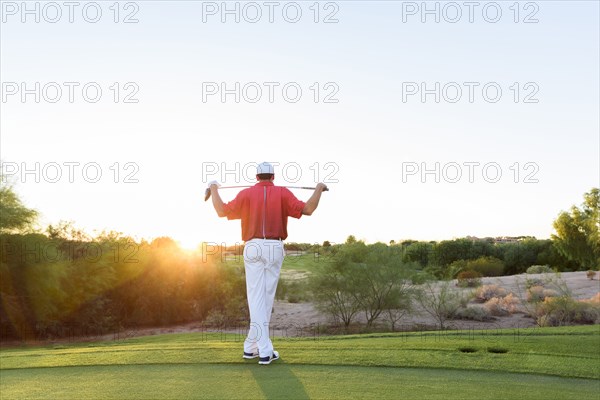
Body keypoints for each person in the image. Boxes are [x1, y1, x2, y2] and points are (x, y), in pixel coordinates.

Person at [208, 162, 327, 365]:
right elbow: (308, 209)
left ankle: (250, 346)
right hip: (274, 247)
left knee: (257, 298)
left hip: (252, 247)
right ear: (273, 177)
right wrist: (319, 189)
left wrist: (213, 189)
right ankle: (264, 351)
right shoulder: (282, 192)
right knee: (265, 298)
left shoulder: (246, 194)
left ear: (256, 177)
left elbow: (221, 211)